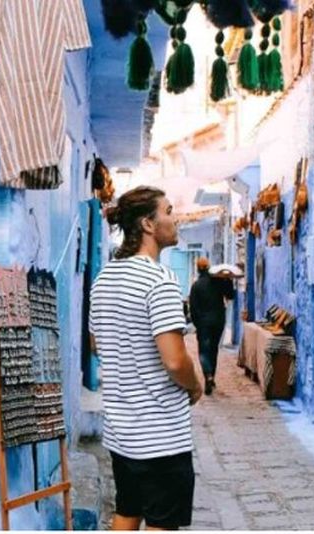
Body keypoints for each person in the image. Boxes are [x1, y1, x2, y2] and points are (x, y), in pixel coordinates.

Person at [89, 186, 204, 531]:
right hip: (161, 434)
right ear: (148, 225)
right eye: (168, 211)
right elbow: (174, 361)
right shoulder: (160, 281)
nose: (176, 218)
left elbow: (97, 344)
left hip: (122, 430)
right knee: (161, 522)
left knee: (127, 511)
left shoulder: (104, 279)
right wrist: (195, 383)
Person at [189, 257, 235, 395]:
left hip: (203, 323)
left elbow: (193, 309)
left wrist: (197, 324)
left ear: (198, 269)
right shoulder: (218, 282)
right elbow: (230, 295)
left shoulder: (196, 286)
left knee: (204, 350)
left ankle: (208, 375)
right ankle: (212, 377)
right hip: (218, 321)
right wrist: (228, 280)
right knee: (213, 349)